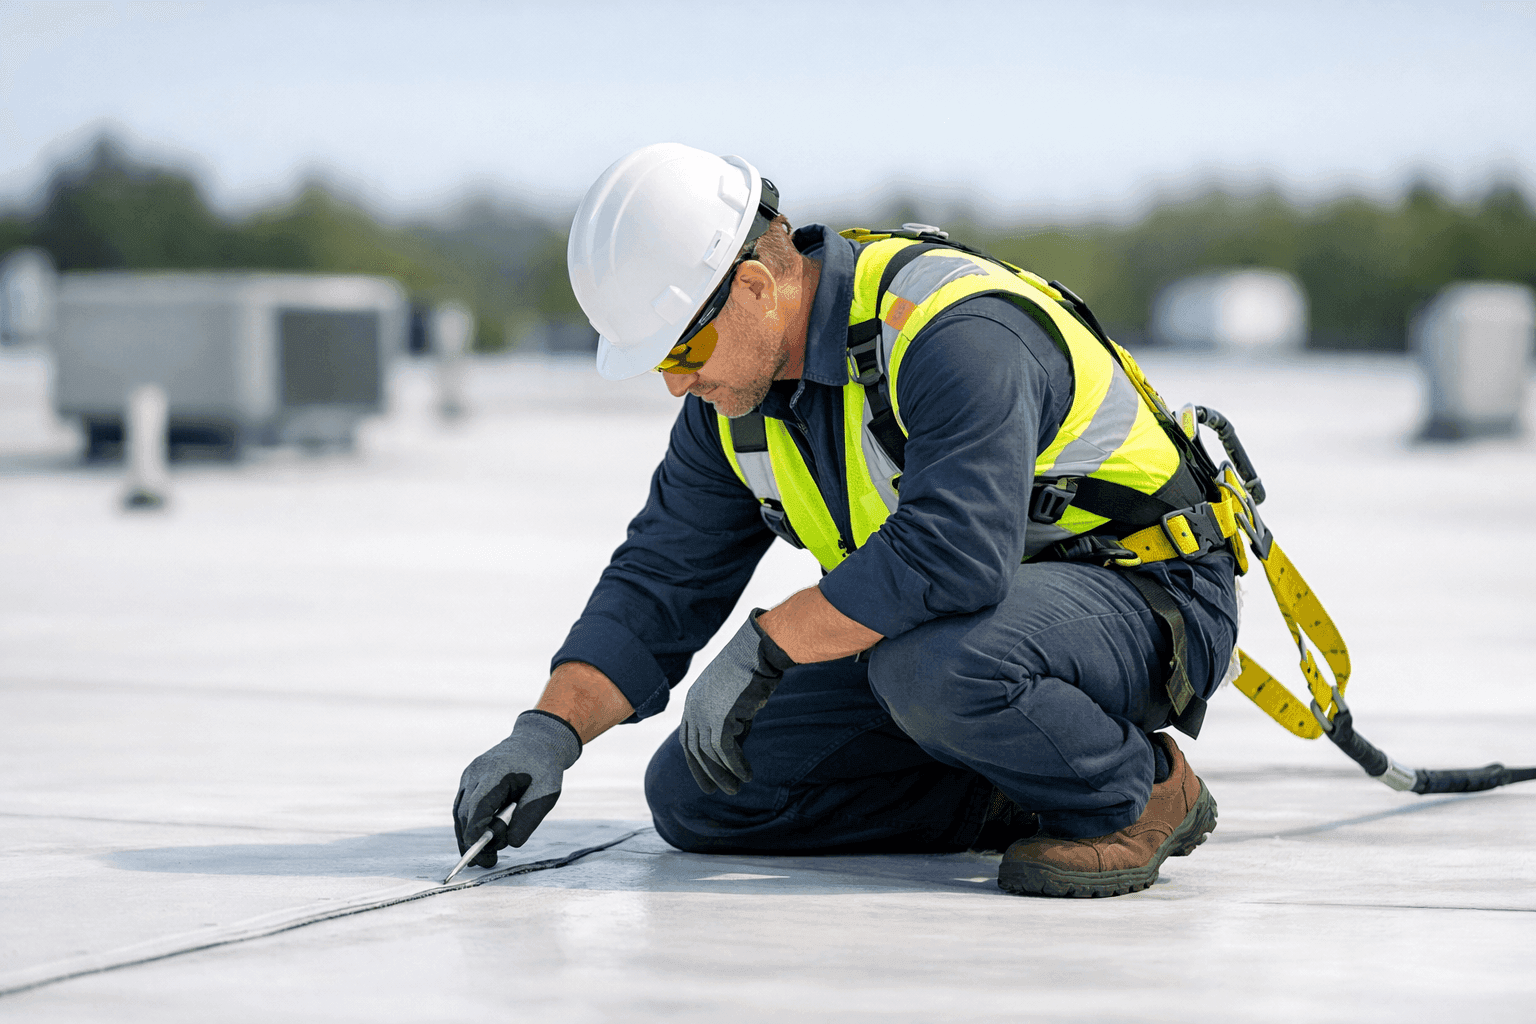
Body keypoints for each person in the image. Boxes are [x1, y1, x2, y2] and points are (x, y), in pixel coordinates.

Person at [453, 143, 1240, 897]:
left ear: (758, 288)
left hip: (1144, 598)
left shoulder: (951, 331)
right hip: (962, 629)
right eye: (659, 363)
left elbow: (953, 554)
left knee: (933, 668)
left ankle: (1138, 794)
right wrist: (549, 732)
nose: (674, 384)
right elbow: (661, 578)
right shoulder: (731, 403)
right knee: (702, 792)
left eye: (683, 352)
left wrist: (769, 646)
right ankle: (1023, 786)